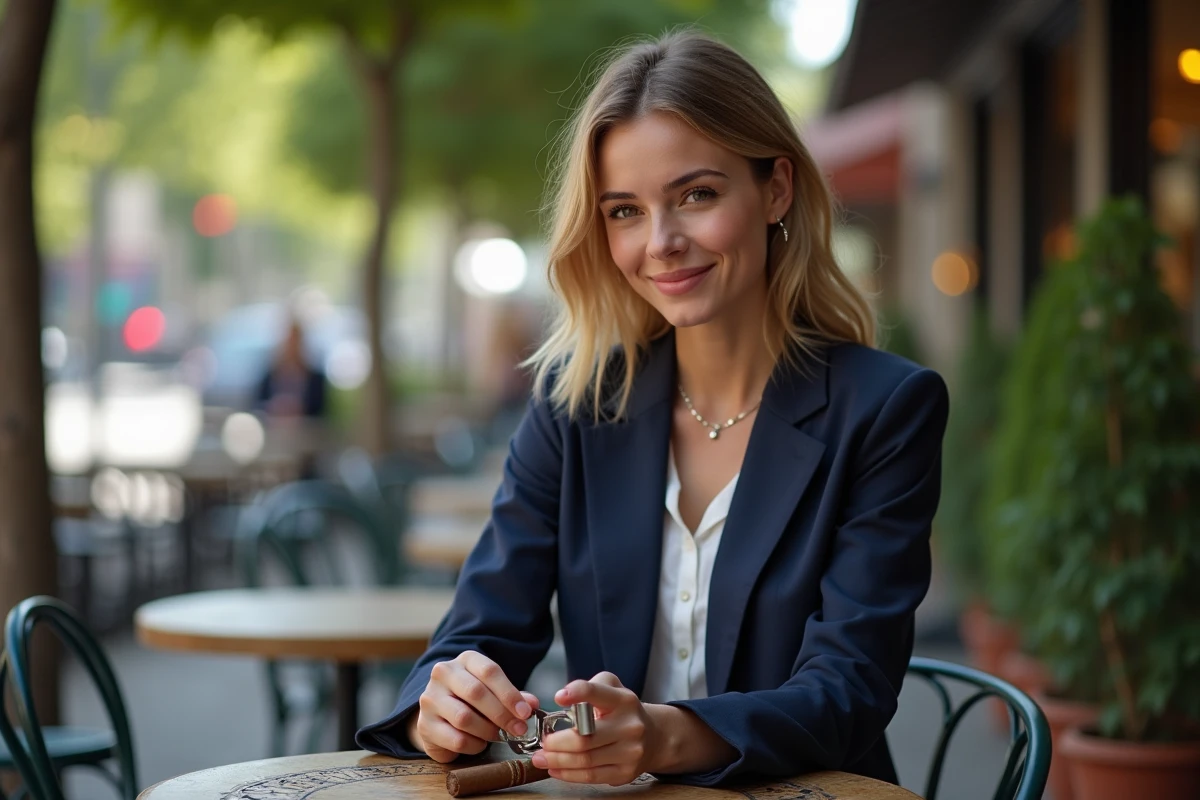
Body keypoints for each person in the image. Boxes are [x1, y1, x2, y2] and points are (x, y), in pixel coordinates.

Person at [357, 30, 948, 788]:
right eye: (624, 211)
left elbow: (847, 691)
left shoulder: (885, 409)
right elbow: (480, 627)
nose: (661, 242)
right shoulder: (574, 404)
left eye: (696, 195)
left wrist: (663, 737)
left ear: (776, 189)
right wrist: (439, 704)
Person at [254, 316, 327, 421]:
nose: (291, 345)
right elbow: (257, 406)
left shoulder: (316, 379)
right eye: (289, 339)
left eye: (295, 340)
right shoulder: (268, 376)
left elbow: (320, 413)